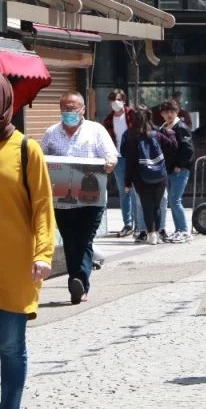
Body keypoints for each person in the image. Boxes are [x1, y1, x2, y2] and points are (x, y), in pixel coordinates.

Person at [0, 75, 55, 409]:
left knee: (9, 347)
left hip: (16, 266)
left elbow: (43, 208)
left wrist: (44, 254)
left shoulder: (25, 149)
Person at [41, 91, 117, 305]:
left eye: (73, 108)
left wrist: (110, 163)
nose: (69, 112)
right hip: (62, 200)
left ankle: (78, 281)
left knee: (84, 239)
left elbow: (111, 154)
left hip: (91, 199)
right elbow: (39, 159)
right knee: (70, 241)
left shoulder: (96, 131)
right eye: (65, 108)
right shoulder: (51, 133)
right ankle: (77, 279)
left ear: (82, 109)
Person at [123, 106, 177, 246]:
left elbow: (128, 159)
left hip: (140, 177)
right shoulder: (158, 133)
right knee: (157, 206)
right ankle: (158, 233)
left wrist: (127, 182)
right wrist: (170, 133)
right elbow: (173, 146)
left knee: (146, 205)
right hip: (159, 175)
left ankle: (151, 234)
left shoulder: (130, 135)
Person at [102, 88, 140, 237]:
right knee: (123, 191)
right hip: (117, 157)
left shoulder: (132, 115)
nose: (115, 103)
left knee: (135, 191)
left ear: (124, 100)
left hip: (134, 157)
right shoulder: (108, 120)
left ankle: (139, 225)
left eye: (118, 99)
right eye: (112, 100)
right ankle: (128, 224)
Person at [159, 99, 195, 244]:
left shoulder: (180, 127)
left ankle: (184, 231)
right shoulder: (163, 128)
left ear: (177, 112)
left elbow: (188, 150)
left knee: (175, 200)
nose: (169, 114)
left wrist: (180, 165)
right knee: (173, 201)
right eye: (166, 112)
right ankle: (179, 230)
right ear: (162, 114)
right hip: (169, 169)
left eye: (172, 111)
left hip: (179, 170)